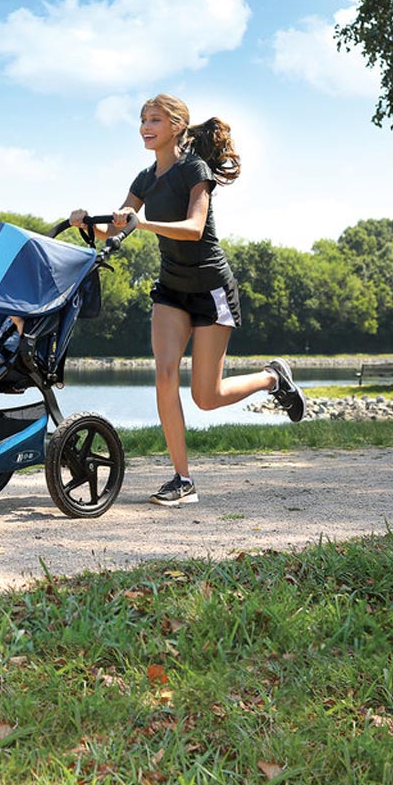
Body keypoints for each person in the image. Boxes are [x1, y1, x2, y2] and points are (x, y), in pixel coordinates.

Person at [69, 93, 305, 508]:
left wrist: (141, 224)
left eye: (155, 119)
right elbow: (121, 226)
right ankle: (183, 479)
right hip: (171, 290)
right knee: (163, 373)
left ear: (177, 125)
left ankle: (272, 378)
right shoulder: (143, 179)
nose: (146, 126)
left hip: (211, 288)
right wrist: (89, 222)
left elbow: (194, 228)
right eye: (143, 119)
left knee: (206, 398)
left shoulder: (195, 170)